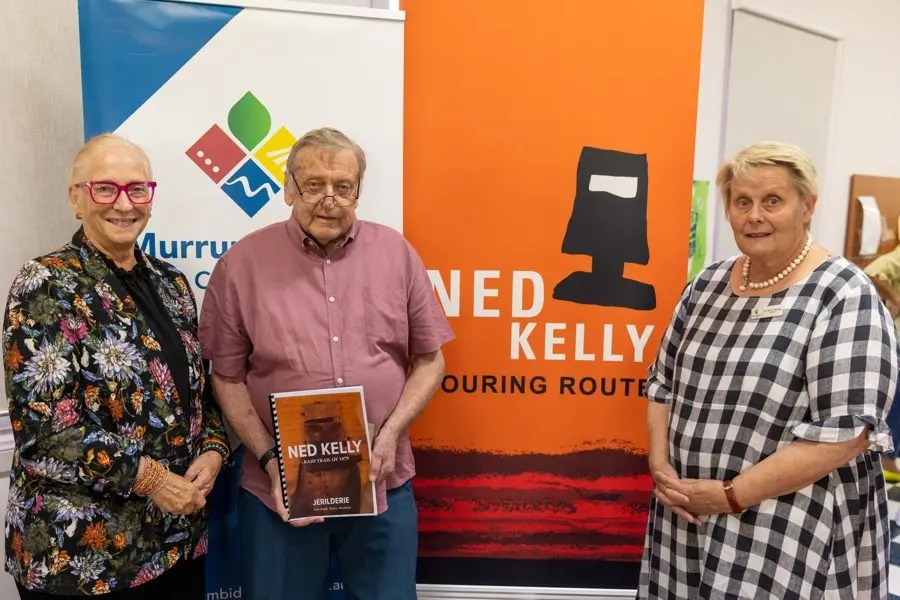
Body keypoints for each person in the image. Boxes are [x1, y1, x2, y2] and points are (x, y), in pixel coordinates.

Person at [198, 126, 454, 600]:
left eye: (343, 186)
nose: (330, 199)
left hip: (382, 480)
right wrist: (272, 460)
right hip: (279, 491)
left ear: (358, 190)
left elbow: (430, 359)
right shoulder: (242, 264)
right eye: (314, 185)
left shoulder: (396, 253)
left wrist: (392, 431)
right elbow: (227, 378)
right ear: (288, 187)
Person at [637, 141, 897, 599]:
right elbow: (662, 384)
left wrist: (731, 495)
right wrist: (662, 467)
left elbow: (845, 433)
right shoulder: (707, 285)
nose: (754, 215)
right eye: (742, 202)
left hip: (788, 520)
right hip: (688, 512)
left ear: (807, 206)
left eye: (772, 201)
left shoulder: (843, 294)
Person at [2, 134, 231, 599]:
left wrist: (213, 450)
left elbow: (197, 396)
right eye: (105, 189)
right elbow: (46, 433)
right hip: (84, 558)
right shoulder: (46, 284)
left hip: (174, 543)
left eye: (137, 189)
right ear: (76, 199)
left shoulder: (171, 282)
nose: (124, 204)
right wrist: (153, 480)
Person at [864, 246, 900, 484]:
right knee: (895, 405)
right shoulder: (895, 258)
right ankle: (884, 459)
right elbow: (869, 273)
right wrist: (896, 300)